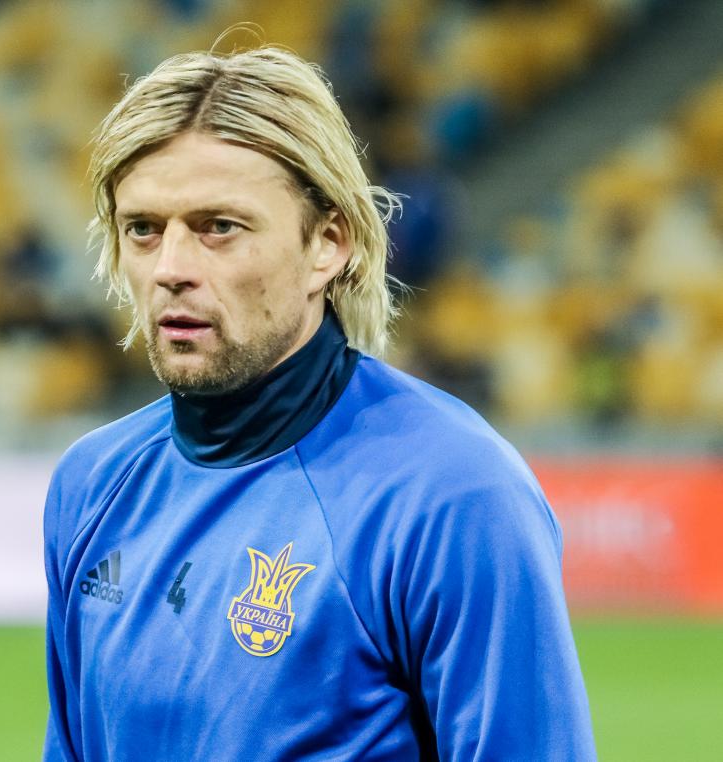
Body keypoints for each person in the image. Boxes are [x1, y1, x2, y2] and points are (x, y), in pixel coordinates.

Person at [42, 45, 595, 761]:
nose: (171, 269)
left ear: (327, 245)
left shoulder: (453, 494)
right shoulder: (91, 484)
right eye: (142, 229)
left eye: (219, 227)